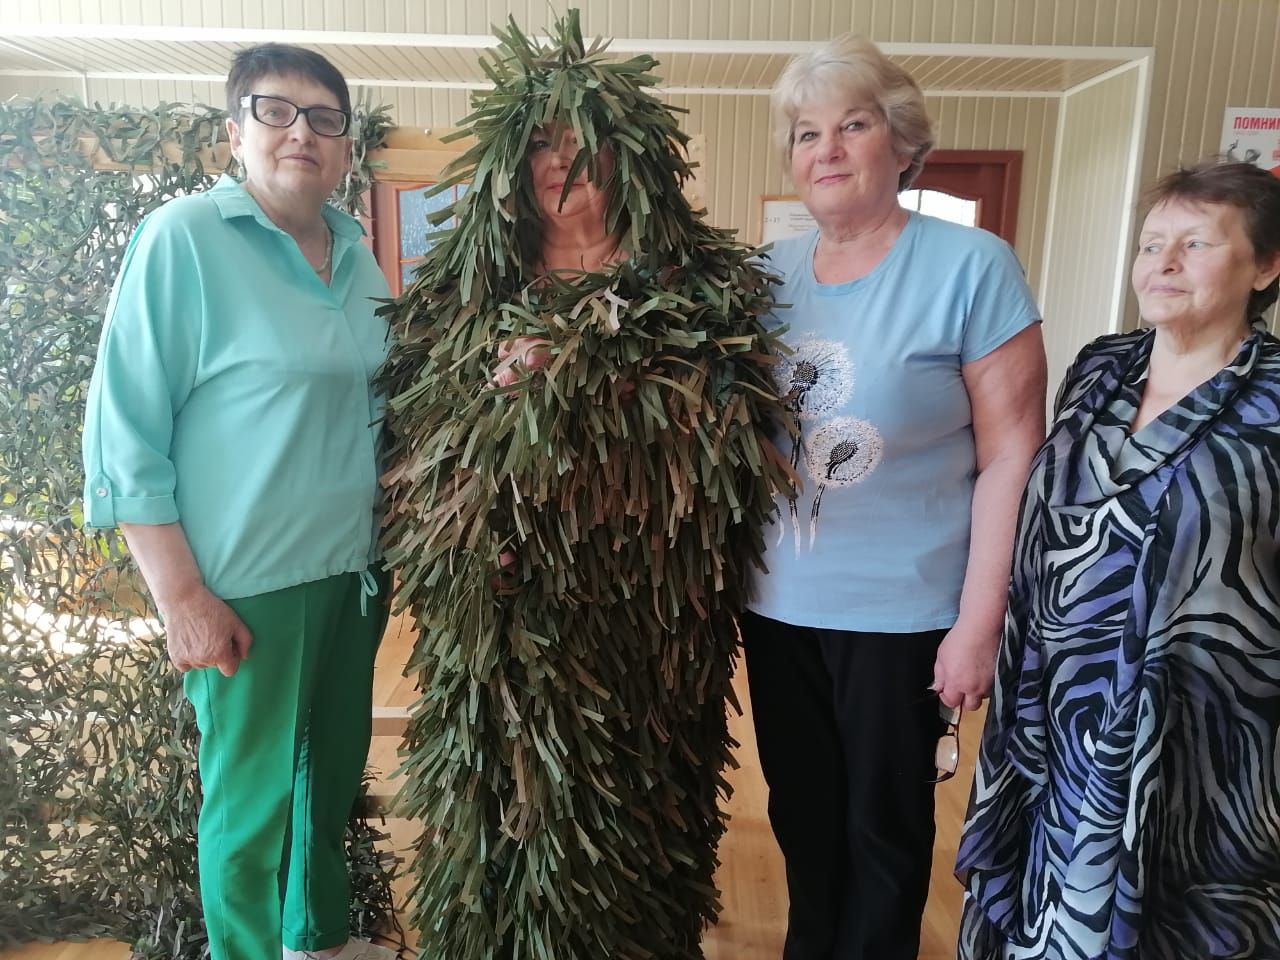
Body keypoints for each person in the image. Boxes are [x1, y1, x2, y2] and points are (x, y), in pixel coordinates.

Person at [376, 13, 790, 960]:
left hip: (648, 617)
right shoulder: (461, 293)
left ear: (632, 162)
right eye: (542, 146)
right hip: (503, 618)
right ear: (510, 167)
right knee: (506, 808)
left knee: (638, 805)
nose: (562, 163)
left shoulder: (705, 284)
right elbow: (412, 442)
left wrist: (588, 376)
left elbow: (733, 437)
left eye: (583, 143)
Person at [80, 43, 395, 960]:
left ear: (345, 147)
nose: (302, 133)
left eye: (325, 118)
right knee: (252, 809)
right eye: (275, 111)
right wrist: (180, 596)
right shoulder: (184, 239)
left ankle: (317, 942)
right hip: (246, 586)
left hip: (355, 574)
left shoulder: (358, 258)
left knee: (326, 786)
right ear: (235, 132)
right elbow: (124, 432)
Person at [738, 34, 1047, 960]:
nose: (827, 149)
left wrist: (979, 623)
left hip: (903, 613)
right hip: (779, 604)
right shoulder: (763, 278)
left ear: (902, 143)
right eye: (806, 133)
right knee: (802, 817)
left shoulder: (973, 266)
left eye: (854, 125)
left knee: (883, 833)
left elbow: (1012, 455)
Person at [957, 160, 1280, 959]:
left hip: (1196, 732)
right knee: (1046, 904)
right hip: (1058, 705)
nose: (1162, 264)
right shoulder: (1102, 365)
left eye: (1195, 244)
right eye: (1150, 244)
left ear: (1265, 267)